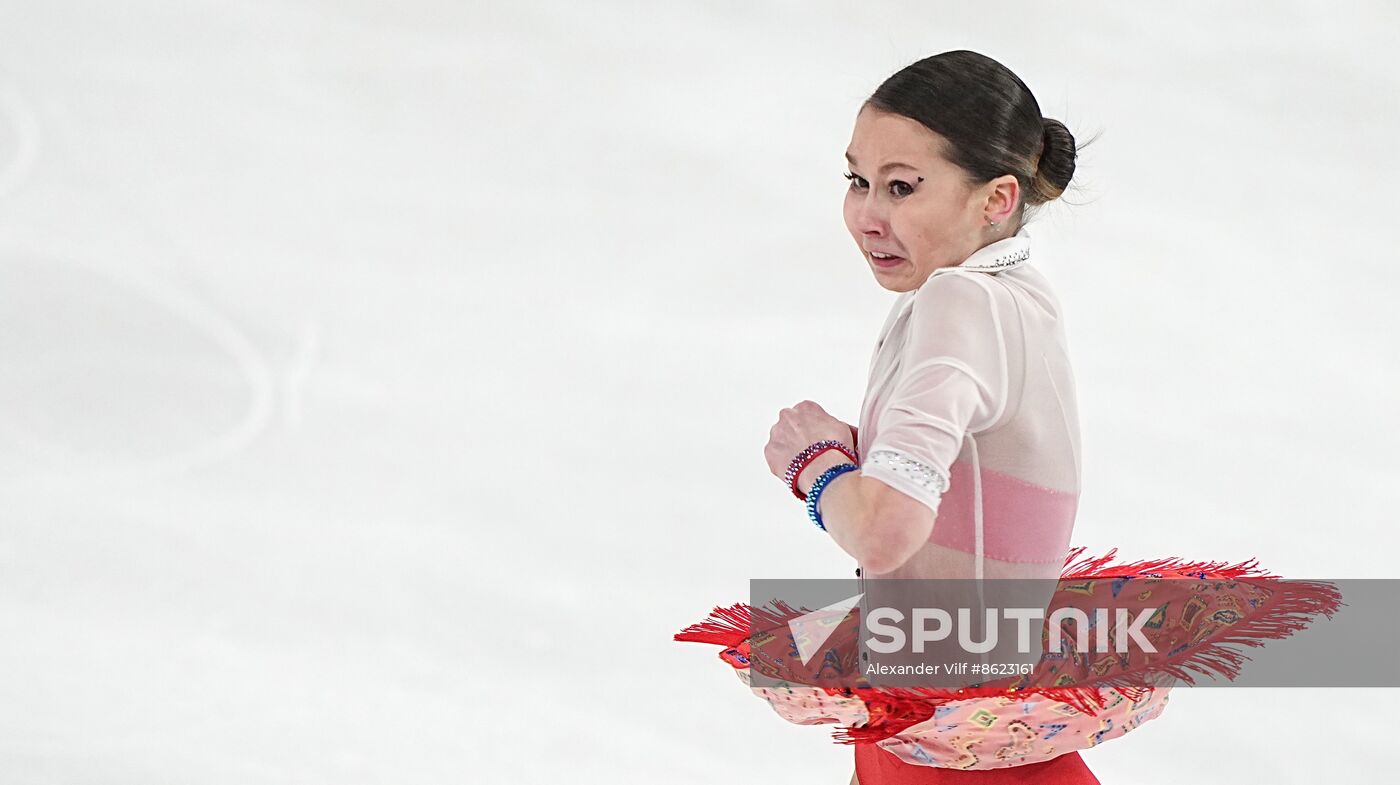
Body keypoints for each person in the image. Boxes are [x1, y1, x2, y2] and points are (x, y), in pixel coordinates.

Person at [762, 50, 1104, 783]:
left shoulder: (960, 302)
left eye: (902, 188)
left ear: (996, 199)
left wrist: (814, 460)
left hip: (953, 745)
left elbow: (886, 531)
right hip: (948, 725)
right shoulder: (1020, 295)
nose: (866, 216)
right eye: (857, 180)